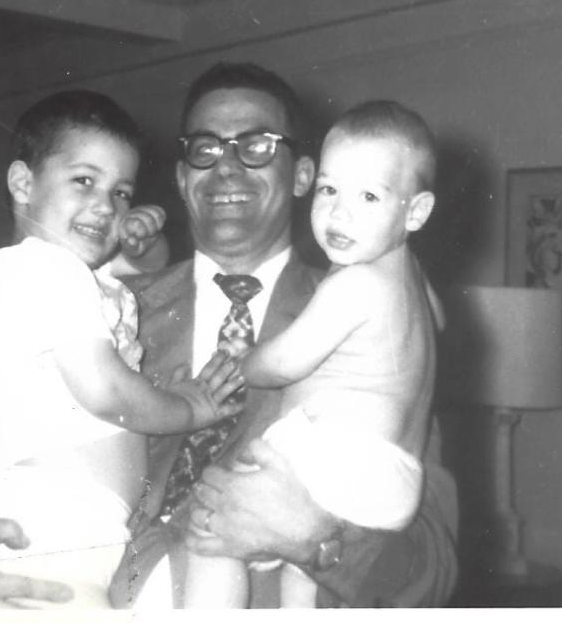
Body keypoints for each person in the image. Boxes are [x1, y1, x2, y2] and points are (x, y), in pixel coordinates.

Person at [0, 62, 459, 609]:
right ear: (181, 178)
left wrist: (319, 539)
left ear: (303, 177)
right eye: (205, 148)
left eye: (257, 146)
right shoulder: (107, 305)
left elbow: (432, 570)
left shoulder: (374, 329)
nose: (226, 167)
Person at [0, 89, 244, 608]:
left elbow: (127, 289)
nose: (104, 205)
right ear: (23, 183)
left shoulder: (77, 279)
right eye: (84, 181)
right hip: (44, 531)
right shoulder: (43, 269)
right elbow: (105, 390)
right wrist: (191, 406)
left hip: (83, 533)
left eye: (120, 193)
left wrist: (141, 246)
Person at [182, 100, 442, 607]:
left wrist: (245, 360)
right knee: (300, 587)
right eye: (330, 190)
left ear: (416, 211)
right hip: (385, 477)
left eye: (368, 196)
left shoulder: (351, 285)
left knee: (211, 537)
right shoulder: (416, 285)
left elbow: (281, 364)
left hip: (343, 460)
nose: (339, 213)